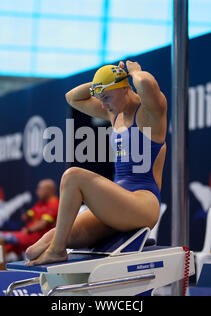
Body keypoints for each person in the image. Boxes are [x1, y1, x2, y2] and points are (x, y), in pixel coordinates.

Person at [26, 60, 167, 266]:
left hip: (143, 203)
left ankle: (58, 251)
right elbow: (72, 98)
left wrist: (133, 71)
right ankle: (56, 251)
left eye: (107, 97)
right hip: (118, 201)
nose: (103, 104)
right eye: (100, 98)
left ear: (125, 88)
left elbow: (145, 82)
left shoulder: (151, 113)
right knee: (35, 249)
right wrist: (100, 84)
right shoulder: (114, 113)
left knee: (73, 176)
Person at [0, 179, 59, 261]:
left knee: (1, 236)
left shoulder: (54, 204)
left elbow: (43, 224)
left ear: (49, 190)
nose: (37, 191)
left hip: (39, 238)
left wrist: (28, 229)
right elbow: (30, 214)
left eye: (40, 189)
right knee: (6, 245)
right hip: (28, 236)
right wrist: (26, 216)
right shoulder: (40, 203)